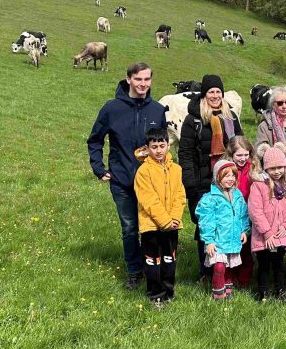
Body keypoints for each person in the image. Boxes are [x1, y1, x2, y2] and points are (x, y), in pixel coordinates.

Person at [87, 62, 169, 290]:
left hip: (151, 182)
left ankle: (153, 267)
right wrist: (99, 167)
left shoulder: (157, 110)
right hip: (122, 180)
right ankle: (135, 271)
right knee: (130, 227)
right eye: (138, 79)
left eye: (147, 79)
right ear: (129, 79)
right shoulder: (111, 108)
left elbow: (163, 145)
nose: (143, 84)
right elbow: (95, 140)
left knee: (152, 227)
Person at [178, 74, 243, 278]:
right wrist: (190, 184)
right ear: (204, 95)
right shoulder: (193, 120)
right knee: (205, 225)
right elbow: (185, 153)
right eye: (211, 92)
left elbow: (239, 146)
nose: (215, 96)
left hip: (228, 181)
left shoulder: (230, 117)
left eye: (218, 92)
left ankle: (227, 272)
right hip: (202, 182)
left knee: (227, 223)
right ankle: (205, 271)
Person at [133, 128, 186, 307]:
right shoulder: (143, 172)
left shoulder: (177, 169)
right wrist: (164, 221)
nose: (158, 150)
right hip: (151, 226)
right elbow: (148, 200)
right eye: (154, 147)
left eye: (162, 146)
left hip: (172, 225)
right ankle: (155, 294)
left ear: (168, 145)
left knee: (169, 260)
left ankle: (169, 292)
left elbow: (180, 195)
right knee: (153, 262)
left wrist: (175, 218)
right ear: (147, 148)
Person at [247, 146, 286, 301]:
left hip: (280, 233)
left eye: (280, 167)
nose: (277, 172)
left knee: (279, 264)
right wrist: (267, 232)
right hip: (264, 236)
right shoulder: (259, 185)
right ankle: (263, 292)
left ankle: (280, 291)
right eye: (272, 168)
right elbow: (256, 211)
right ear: (266, 168)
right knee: (263, 264)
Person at [197, 159, 250, 300]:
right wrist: (209, 240)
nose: (231, 179)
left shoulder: (237, 195)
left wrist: (244, 230)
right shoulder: (210, 198)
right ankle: (218, 292)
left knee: (230, 266)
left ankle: (228, 288)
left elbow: (243, 214)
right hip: (218, 240)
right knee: (219, 266)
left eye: (233, 175)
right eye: (227, 176)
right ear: (218, 177)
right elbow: (206, 221)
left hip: (232, 238)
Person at [224, 135, 256, 290]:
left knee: (246, 251)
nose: (243, 158)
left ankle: (243, 281)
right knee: (230, 250)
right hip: (230, 215)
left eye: (246, 155)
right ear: (231, 154)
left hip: (248, 214)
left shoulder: (253, 168)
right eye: (239, 155)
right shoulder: (225, 169)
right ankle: (228, 279)